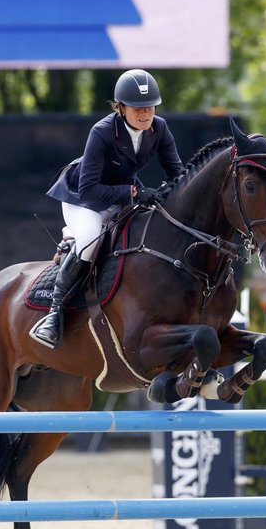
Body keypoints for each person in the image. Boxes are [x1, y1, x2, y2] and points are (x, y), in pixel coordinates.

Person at [29, 69, 186, 349]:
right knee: (91, 238)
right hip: (83, 198)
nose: (145, 114)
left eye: (149, 107)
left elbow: (178, 173)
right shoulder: (102, 132)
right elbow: (90, 189)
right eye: (138, 108)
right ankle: (54, 314)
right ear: (121, 107)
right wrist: (134, 193)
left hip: (120, 195)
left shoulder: (159, 129)